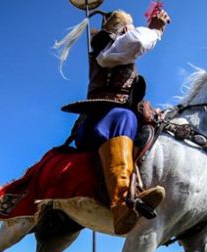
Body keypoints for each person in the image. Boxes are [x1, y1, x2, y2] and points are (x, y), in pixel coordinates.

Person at [57, 8, 172, 234]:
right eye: (127, 28)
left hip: (111, 122)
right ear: (121, 31)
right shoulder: (106, 50)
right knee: (124, 116)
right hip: (99, 123)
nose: (131, 30)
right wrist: (155, 30)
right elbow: (137, 41)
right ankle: (121, 206)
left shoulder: (115, 49)